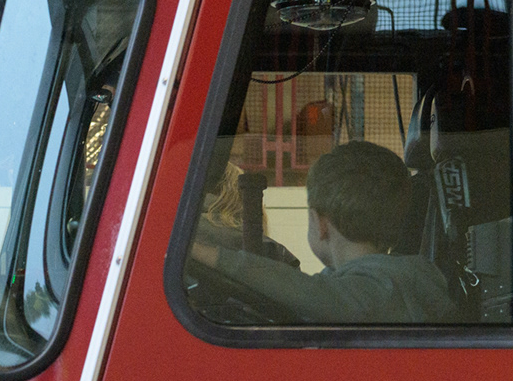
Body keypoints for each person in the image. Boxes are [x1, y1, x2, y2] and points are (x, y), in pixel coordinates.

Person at [186, 139, 455, 325]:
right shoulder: (403, 279)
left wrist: (203, 253)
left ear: (320, 224)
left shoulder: (385, 288)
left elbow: (311, 293)